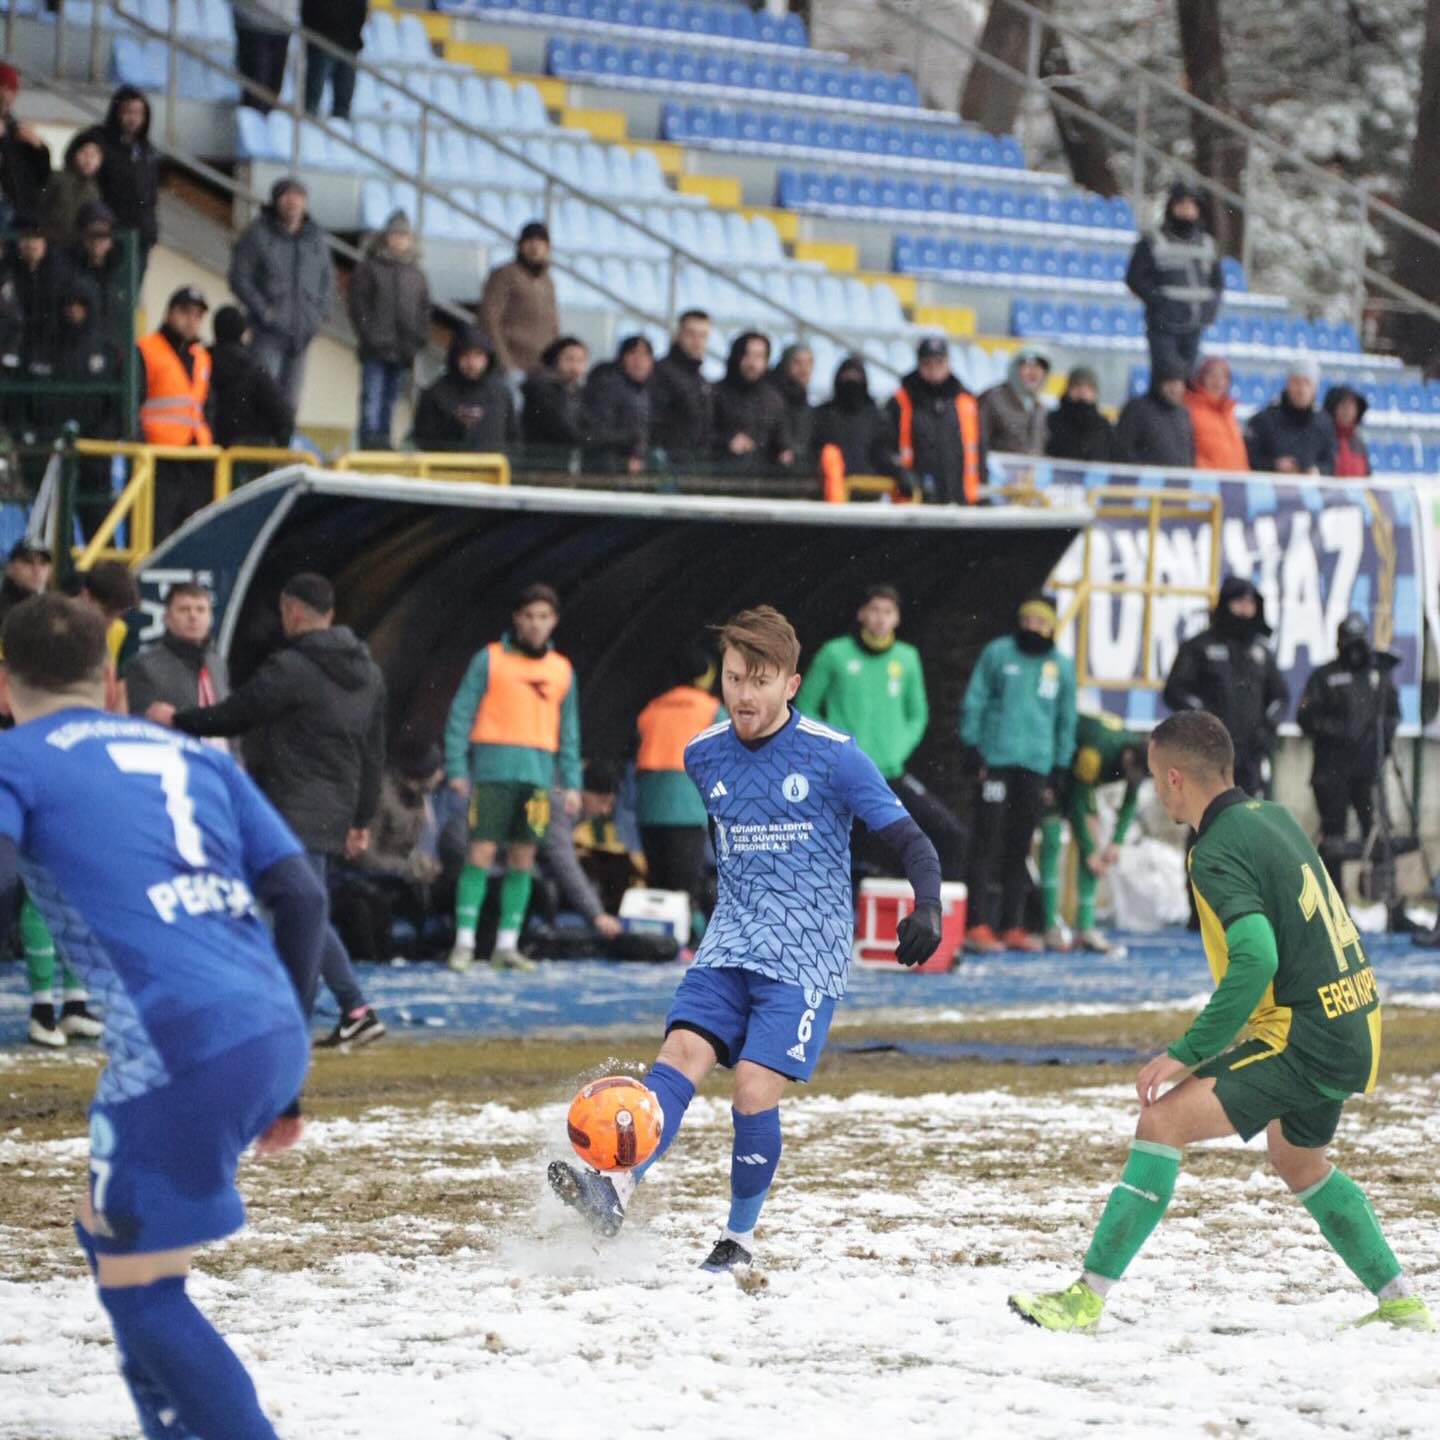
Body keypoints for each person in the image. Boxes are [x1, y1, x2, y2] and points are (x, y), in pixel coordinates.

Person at [0, 592, 330, 1436]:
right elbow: (298, 894)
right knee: (106, 1232)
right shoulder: (195, 754)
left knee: (144, 1286)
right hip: (268, 1027)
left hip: (179, 1042)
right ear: (110, 679)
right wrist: (285, 1067)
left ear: (4, 684)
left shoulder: (19, 760)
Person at [1009, 710, 1432, 1336]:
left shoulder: (1213, 851)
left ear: (1176, 779)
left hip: (1306, 1032)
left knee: (1162, 1120)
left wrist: (1187, 1051)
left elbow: (1257, 954)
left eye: (1155, 777)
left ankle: (1085, 1299)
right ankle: (1401, 1301)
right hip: (1356, 1015)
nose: (1155, 789)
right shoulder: (1274, 817)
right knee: (1297, 1158)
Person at [547, 606, 943, 1267]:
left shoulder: (834, 756)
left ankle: (739, 1240)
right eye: (734, 678)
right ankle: (613, 1187)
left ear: (791, 683)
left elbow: (911, 838)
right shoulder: (702, 754)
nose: (744, 695)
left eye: (760, 681)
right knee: (677, 1055)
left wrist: (925, 905)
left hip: (806, 953)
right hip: (730, 940)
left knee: (753, 1089)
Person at [147, 572, 388, 1049]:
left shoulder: (292, 667)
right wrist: (361, 818)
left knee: (295, 909)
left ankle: (304, 1019)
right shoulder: (369, 672)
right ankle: (352, 1009)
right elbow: (375, 751)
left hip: (292, 804)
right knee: (306, 905)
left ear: (293, 611)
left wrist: (175, 719)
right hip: (337, 805)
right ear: (332, 614)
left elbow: (237, 713)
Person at [444, 583, 581, 972]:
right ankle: (464, 943)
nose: (536, 625)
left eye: (544, 617)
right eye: (529, 616)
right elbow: (459, 713)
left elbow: (569, 731)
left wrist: (570, 783)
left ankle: (506, 945)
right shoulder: (488, 659)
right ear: (517, 619)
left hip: (538, 778)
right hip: (492, 774)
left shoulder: (562, 670)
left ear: (553, 621)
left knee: (524, 858)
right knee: (480, 853)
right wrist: (456, 767)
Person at [797, 584, 967, 882]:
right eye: (874, 610)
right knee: (838, 844)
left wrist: (897, 749)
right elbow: (805, 706)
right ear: (862, 614)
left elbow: (918, 714)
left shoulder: (907, 658)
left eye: (888, 612)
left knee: (949, 832)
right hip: (846, 774)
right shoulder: (834, 653)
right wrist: (839, 745)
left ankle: (932, 913)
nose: (880, 618)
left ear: (897, 618)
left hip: (890, 772)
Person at [959, 594, 1077, 953]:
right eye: (1028, 621)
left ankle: (1013, 925)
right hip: (997, 760)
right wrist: (972, 747)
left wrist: (1059, 766)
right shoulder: (998, 653)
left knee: (1020, 845)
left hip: (1036, 765)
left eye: (1040, 622)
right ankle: (976, 923)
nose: (1033, 628)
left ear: (1051, 626)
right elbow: (974, 699)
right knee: (986, 840)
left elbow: (1065, 719)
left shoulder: (1061, 665)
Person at [1296, 613, 1399, 902]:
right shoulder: (1325, 676)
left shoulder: (1376, 675)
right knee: (1334, 835)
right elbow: (1305, 716)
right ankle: (1335, 902)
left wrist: (1382, 741)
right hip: (1332, 772)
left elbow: (1391, 713)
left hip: (1367, 771)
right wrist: (1340, 732)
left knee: (1377, 831)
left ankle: (1385, 901)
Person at [634, 642, 726, 946]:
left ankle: (662, 941)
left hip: (649, 804)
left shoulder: (652, 708)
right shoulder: (711, 709)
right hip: (687, 805)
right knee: (686, 883)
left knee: (658, 881)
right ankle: (692, 940)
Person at [1163, 575, 1289, 797]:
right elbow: (1175, 691)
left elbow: (1280, 697)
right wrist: (1203, 718)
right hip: (1210, 751)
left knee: (1251, 814)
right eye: (1239, 602)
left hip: (1252, 752)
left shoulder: (1260, 652)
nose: (1245, 609)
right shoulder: (1200, 647)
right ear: (1225, 604)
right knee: (1207, 814)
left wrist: (1268, 726)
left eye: (1250, 603)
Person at [1037, 712, 1147, 954]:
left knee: (1095, 846)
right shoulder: (1095, 754)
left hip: (1082, 782)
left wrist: (1116, 842)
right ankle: (1048, 925)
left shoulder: (1138, 758)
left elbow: (1130, 800)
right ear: (1127, 757)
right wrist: (1089, 851)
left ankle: (1085, 927)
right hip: (1057, 773)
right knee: (1053, 839)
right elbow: (1077, 800)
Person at [228, 176, 336, 411]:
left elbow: (327, 280)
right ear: (276, 200)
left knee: (290, 405)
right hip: (268, 335)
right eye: (287, 195)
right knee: (264, 397)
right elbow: (240, 277)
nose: (293, 202)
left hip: (302, 335)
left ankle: (284, 445)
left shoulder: (315, 238)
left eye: (298, 196)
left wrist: (319, 316)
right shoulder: (257, 233)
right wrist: (265, 312)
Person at [25, 280, 123, 535]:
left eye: (81, 305)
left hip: (93, 458)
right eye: (69, 304)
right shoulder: (42, 349)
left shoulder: (106, 351)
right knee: (51, 533)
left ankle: (102, 575)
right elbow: (26, 401)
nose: (74, 311)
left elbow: (117, 407)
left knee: (99, 531)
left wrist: (101, 439)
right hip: (49, 455)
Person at [334, 745, 445, 962]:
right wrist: (406, 868)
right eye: (437, 769)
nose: (441, 775)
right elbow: (362, 855)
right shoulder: (380, 798)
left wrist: (425, 865)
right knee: (368, 908)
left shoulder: (418, 796)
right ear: (421, 773)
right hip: (363, 881)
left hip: (397, 880)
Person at [137, 286, 214, 543]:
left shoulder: (201, 356)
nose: (191, 320)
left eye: (197, 315)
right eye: (185, 312)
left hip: (194, 457)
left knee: (191, 533)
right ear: (170, 313)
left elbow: (204, 406)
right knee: (156, 532)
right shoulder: (147, 349)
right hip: (159, 458)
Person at [348, 209, 430, 450]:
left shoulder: (416, 274)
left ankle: (383, 444)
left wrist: (417, 340)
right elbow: (358, 304)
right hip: (376, 348)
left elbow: (424, 309)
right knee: (371, 399)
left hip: (403, 351)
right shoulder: (369, 268)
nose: (400, 240)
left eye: (404, 235)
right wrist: (369, 335)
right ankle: (369, 444)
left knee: (391, 402)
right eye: (396, 234)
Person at [1125, 180, 1223, 381]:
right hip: (1163, 326)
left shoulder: (1207, 243)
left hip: (1194, 325)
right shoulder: (1153, 241)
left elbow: (1217, 282)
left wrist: (1210, 308)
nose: (1186, 210)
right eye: (1181, 204)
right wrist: (1159, 301)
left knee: (1189, 379)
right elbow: (1135, 277)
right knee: (1167, 378)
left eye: (1191, 205)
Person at [886, 335, 984, 504]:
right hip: (913, 500)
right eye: (927, 363)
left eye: (939, 361)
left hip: (959, 498)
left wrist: (980, 488)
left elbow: (979, 448)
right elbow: (884, 447)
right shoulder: (901, 400)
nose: (933, 368)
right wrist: (900, 473)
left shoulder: (965, 400)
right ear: (919, 364)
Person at [125, 582, 231, 738]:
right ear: (167, 617)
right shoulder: (144, 666)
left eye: (200, 609)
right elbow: (142, 728)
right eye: (184, 609)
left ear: (210, 617)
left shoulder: (217, 662)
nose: (193, 616)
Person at [537, 767, 626, 941]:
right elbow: (564, 864)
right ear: (584, 793)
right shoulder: (561, 805)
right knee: (547, 888)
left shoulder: (571, 811)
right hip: (505, 869)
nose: (604, 811)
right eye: (602, 801)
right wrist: (597, 915)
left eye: (610, 804)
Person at [478, 220, 559, 383]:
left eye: (541, 243)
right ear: (520, 245)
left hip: (541, 368)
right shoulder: (505, 274)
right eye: (530, 242)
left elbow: (553, 322)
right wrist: (505, 362)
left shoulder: (547, 280)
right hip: (512, 363)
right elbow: (490, 319)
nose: (535, 248)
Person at [412, 326, 516, 451]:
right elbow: (423, 440)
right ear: (455, 357)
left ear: (488, 358)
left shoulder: (501, 392)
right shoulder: (436, 393)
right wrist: (455, 425)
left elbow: (514, 437)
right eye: (466, 355)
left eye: (478, 355)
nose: (472, 363)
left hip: (493, 467)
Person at [206, 304, 295, 449]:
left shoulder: (200, 362)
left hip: (205, 455)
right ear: (243, 333)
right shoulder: (253, 369)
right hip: (245, 457)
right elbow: (283, 417)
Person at [811, 354, 895, 494]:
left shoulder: (878, 417)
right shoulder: (822, 415)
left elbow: (883, 453)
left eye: (856, 377)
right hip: (828, 495)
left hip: (869, 492)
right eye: (847, 377)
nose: (851, 382)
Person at [97, 86, 159, 273]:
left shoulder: (147, 150)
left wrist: (152, 229)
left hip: (142, 237)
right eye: (128, 112)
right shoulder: (104, 143)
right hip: (115, 234)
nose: (133, 119)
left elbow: (151, 194)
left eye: (138, 113)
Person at [712, 331, 794, 468]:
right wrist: (727, 442)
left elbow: (782, 439)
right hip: (720, 474)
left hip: (760, 479)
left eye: (759, 356)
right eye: (747, 355)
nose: (752, 362)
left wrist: (784, 452)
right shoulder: (715, 393)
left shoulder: (774, 400)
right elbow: (702, 432)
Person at [59, 202, 134, 351]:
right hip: (77, 358)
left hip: (112, 360)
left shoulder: (120, 277)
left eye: (103, 234)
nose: (97, 240)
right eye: (92, 234)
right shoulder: (67, 272)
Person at [1245, 357, 1336, 475]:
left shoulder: (1324, 423)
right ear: (1287, 384)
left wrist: (1316, 471)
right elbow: (1249, 458)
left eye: (1307, 383)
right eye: (1296, 382)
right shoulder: (1263, 421)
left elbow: (1330, 462)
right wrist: (1274, 465)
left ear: (1315, 388)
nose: (1301, 389)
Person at [581, 333, 653, 474]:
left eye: (645, 355)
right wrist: (631, 440)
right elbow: (598, 432)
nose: (639, 361)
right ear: (622, 357)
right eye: (633, 354)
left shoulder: (644, 392)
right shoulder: (606, 384)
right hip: (606, 468)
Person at [651, 309, 713, 461]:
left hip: (693, 467)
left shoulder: (701, 380)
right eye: (691, 334)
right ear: (678, 335)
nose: (697, 341)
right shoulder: (660, 373)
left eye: (703, 335)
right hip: (671, 466)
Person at [1114, 363, 1196, 469]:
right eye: (1170, 382)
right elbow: (1123, 450)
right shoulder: (1137, 409)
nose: (1175, 389)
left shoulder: (1183, 413)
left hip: (1178, 482)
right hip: (1143, 482)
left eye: (1179, 383)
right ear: (1158, 383)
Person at [522, 334, 588, 464]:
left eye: (580, 360)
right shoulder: (541, 388)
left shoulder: (579, 392)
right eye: (569, 359)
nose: (575, 367)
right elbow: (567, 431)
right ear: (555, 360)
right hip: (540, 462)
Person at [0, 64, 52, 226]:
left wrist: (39, 147)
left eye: (10, 89)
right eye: (3, 88)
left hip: (21, 212)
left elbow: (43, 176)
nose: (6, 94)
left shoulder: (18, 130)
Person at [39, 127, 105, 249]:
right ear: (74, 153)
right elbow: (41, 206)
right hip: (52, 243)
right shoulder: (57, 178)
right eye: (85, 153)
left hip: (79, 247)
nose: (89, 160)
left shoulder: (94, 188)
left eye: (94, 155)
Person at [302, 0, 368, 120]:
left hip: (349, 45)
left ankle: (339, 128)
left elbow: (361, 9)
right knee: (312, 100)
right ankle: (308, 130)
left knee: (343, 103)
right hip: (321, 42)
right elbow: (308, 9)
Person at [979, 348, 1050, 456]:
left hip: (1031, 471)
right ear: (1015, 369)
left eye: (1039, 368)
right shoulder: (992, 399)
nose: (1033, 372)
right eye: (1028, 366)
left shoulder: (1041, 408)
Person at [1184, 355, 1248, 471]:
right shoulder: (1190, 410)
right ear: (1201, 379)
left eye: (1223, 377)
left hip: (1234, 483)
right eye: (1212, 376)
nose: (1218, 382)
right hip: (1206, 483)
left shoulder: (1228, 412)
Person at [233, 0, 296, 113]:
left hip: (283, 24)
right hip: (253, 21)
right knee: (256, 90)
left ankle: (264, 124)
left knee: (273, 91)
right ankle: (250, 125)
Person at [1045, 366, 1115, 464]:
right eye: (1077, 386)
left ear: (1095, 392)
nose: (1082, 391)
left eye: (1088, 387)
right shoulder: (1052, 421)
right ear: (1068, 389)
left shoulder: (1103, 426)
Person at [12, 218, 63, 353]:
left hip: (50, 348)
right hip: (16, 348)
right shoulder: (9, 274)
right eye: (25, 238)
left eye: (35, 238)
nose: (30, 244)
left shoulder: (59, 274)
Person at [768, 343, 814, 469]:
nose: (804, 369)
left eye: (808, 363)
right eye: (797, 363)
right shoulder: (771, 399)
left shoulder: (806, 407)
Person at [1324, 384, 1371, 478]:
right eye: (1343, 405)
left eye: (1352, 406)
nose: (1348, 410)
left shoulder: (1358, 443)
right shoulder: (1321, 438)